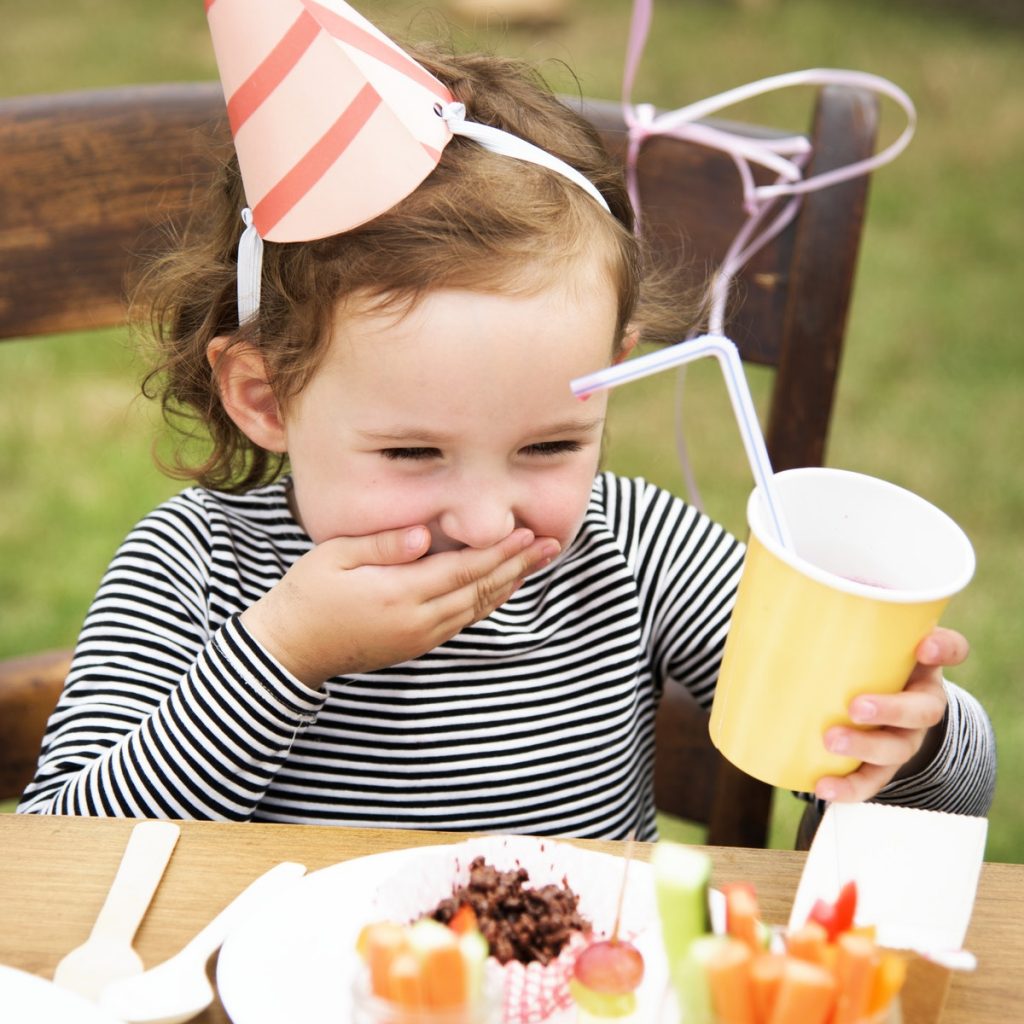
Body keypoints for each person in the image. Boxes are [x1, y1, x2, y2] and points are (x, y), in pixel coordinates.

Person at [18, 13, 994, 838]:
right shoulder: (195, 569)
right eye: (411, 453)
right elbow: (63, 848)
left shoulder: (634, 550)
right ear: (267, 398)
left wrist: (910, 735)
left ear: (620, 359)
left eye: (549, 445)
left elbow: (940, 804)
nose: (489, 523)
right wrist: (283, 653)